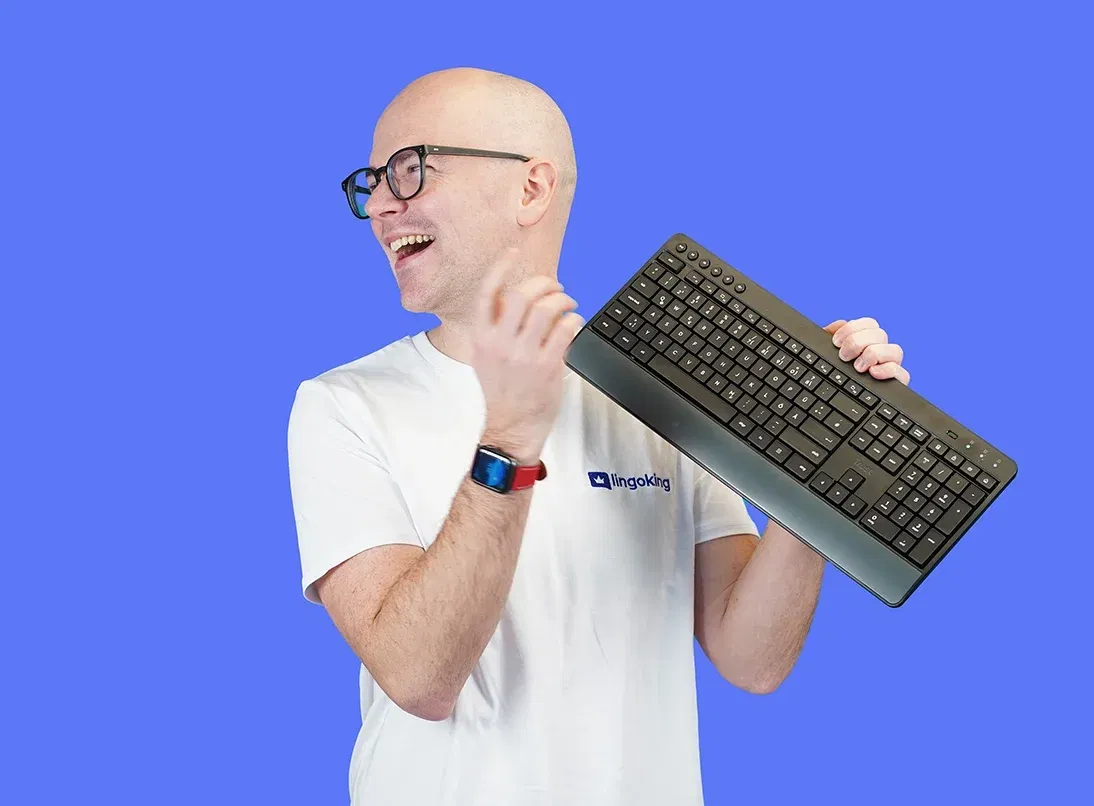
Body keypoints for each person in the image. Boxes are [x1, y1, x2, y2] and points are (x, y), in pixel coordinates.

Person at [286, 67, 911, 805]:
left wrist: (814, 468)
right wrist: (511, 437)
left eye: (410, 170)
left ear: (532, 188)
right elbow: (419, 677)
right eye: (374, 182)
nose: (383, 206)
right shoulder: (343, 406)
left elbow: (753, 660)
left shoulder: (664, 392)